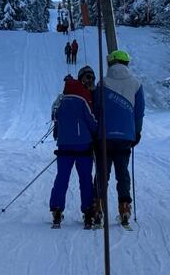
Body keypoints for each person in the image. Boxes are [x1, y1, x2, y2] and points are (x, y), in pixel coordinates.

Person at [92, 50, 144, 228]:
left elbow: (96, 110)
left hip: (104, 137)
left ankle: (97, 206)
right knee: (122, 174)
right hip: (125, 137)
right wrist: (136, 133)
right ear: (126, 63)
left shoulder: (103, 83)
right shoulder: (136, 84)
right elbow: (139, 113)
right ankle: (124, 208)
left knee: (102, 174)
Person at [49, 70, 99, 229]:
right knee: (85, 179)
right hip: (84, 144)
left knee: (62, 178)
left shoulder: (62, 99)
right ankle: (88, 212)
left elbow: (55, 117)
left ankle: (56, 209)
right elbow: (92, 122)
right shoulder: (83, 99)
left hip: (64, 145)